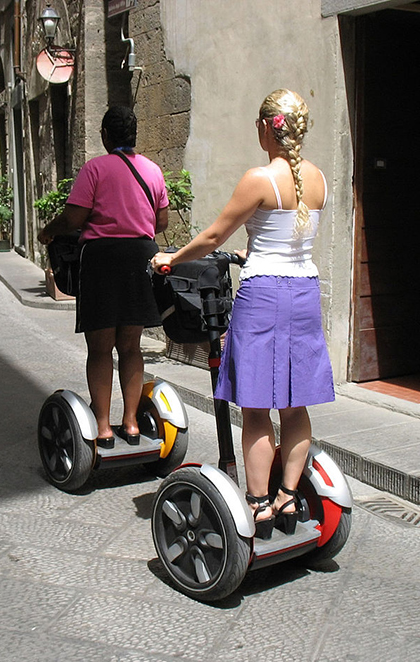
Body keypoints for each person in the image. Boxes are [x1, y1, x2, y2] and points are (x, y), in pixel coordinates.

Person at [151, 89, 334, 539]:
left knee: (256, 407)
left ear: (264, 128)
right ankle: (288, 497)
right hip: (304, 294)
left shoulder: (259, 178)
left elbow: (213, 235)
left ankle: (257, 506)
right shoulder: (319, 180)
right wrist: (251, 249)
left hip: (265, 296)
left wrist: (171, 257)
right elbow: (288, 237)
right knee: (294, 406)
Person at [38, 106, 168, 448]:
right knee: (131, 345)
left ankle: (103, 427)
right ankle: (131, 424)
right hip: (141, 257)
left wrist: (47, 231)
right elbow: (162, 222)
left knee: (100, 348)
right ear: (134, 135)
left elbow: (73, 218)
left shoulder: (95, 168)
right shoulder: (153, 171)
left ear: (105, 136)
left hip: (103, 259)